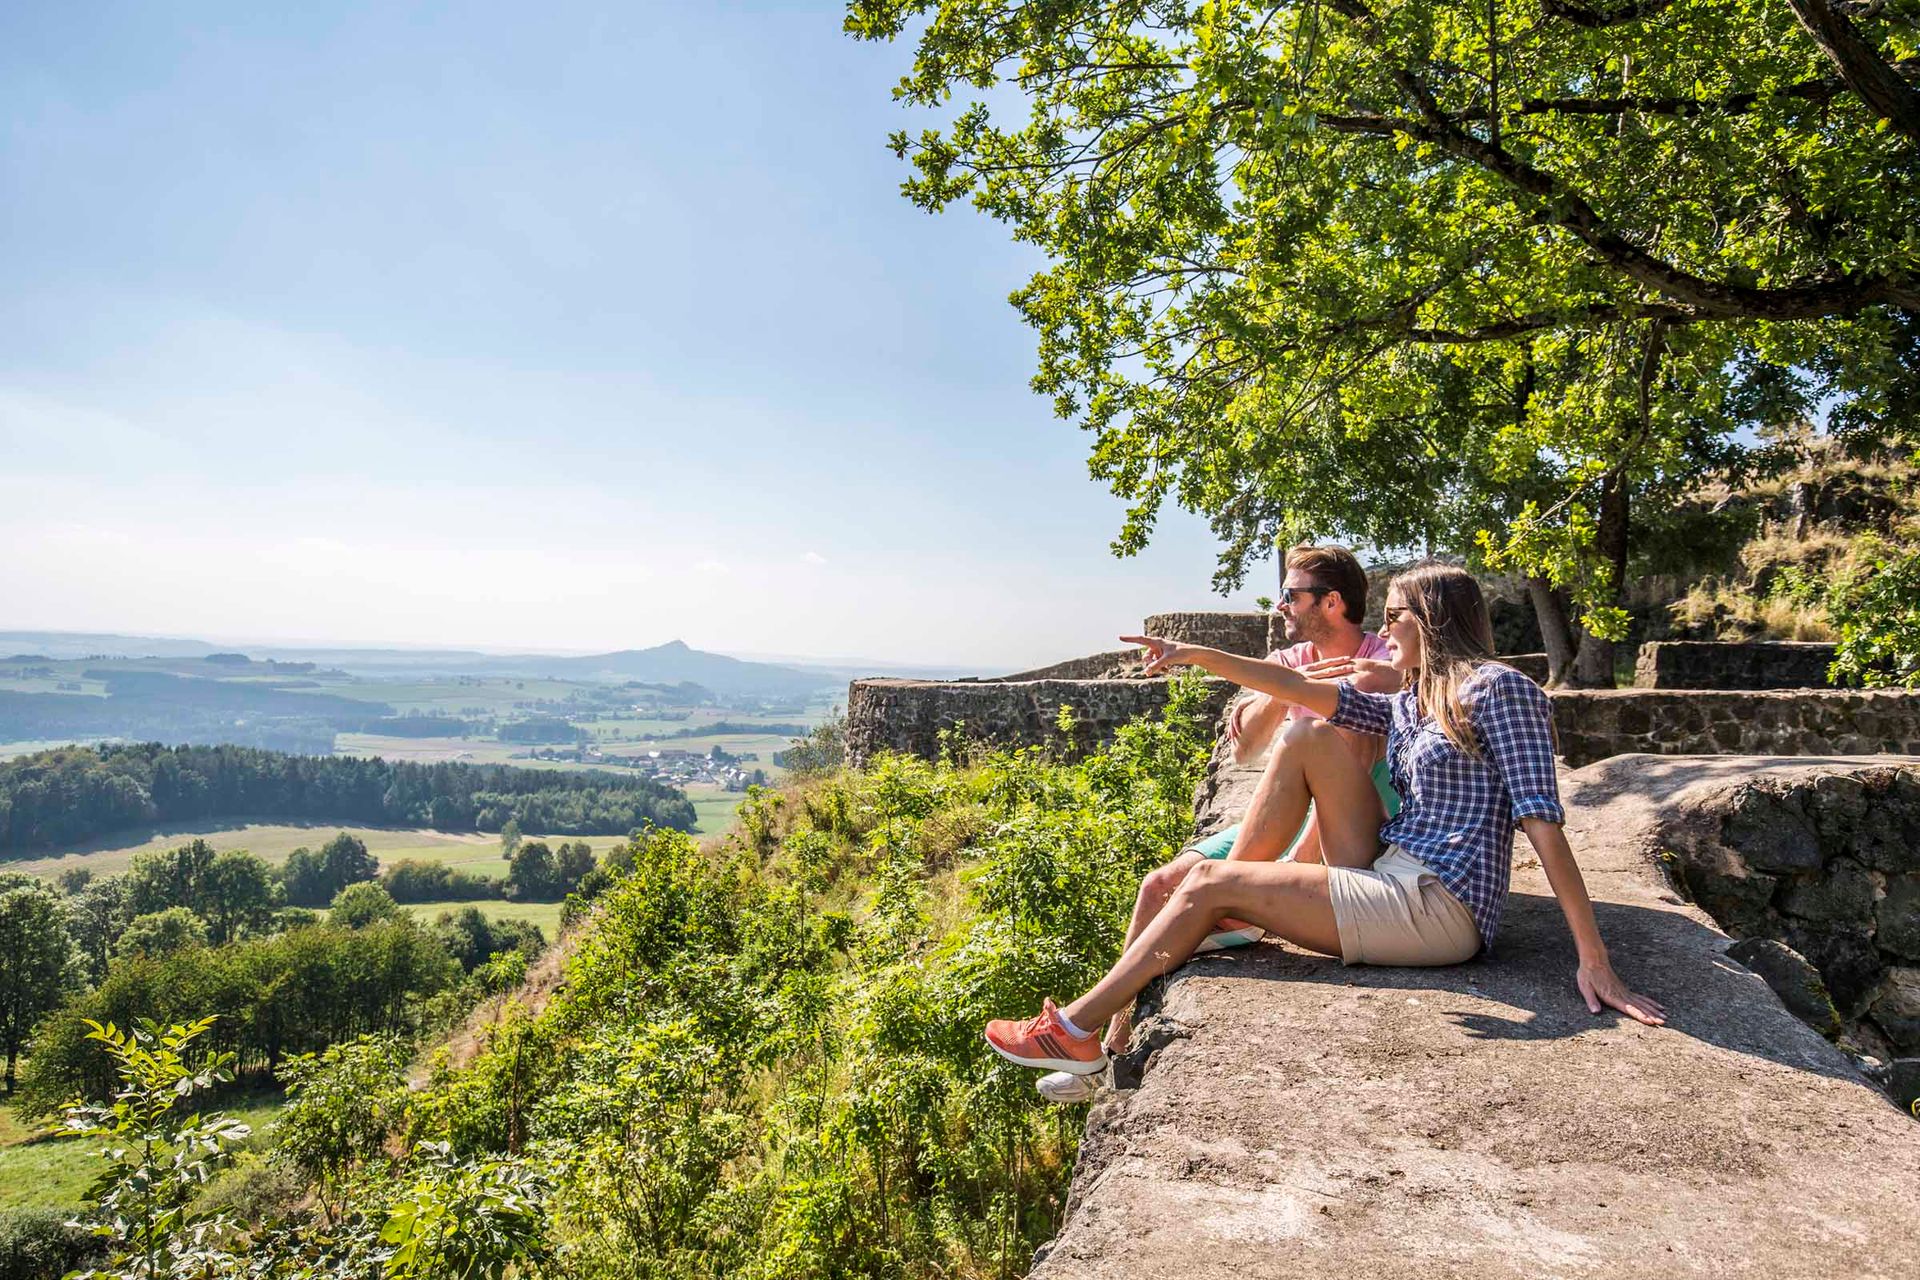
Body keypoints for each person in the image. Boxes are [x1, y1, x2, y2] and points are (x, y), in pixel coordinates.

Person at [990, 562, 1665, 1083]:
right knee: (1307, 736)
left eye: (1395, 616)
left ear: (1426, 623)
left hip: (1440, 905)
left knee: (1201, 885)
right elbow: (1298, 694)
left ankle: (1076, 1028)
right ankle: (1245, 903)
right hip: (1392, 871)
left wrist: (1596, 961)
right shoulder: (1411, 698)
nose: (1385, 628)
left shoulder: (1498, 689)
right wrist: (1198, 655)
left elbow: (1543, 822)